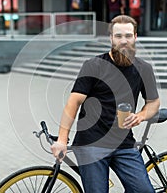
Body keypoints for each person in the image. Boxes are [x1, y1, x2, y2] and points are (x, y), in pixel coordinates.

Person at [51, 15, 160, 193]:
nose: (123, 41)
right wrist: (62, 140)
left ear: (135, 37)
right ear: (111, 38)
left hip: (124, 143)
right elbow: (73, 103)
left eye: (128, 35)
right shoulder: (94, 66)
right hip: (91, 142)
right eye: (118, 36)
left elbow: (153, 103)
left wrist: (140, 116)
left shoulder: (144, 69)